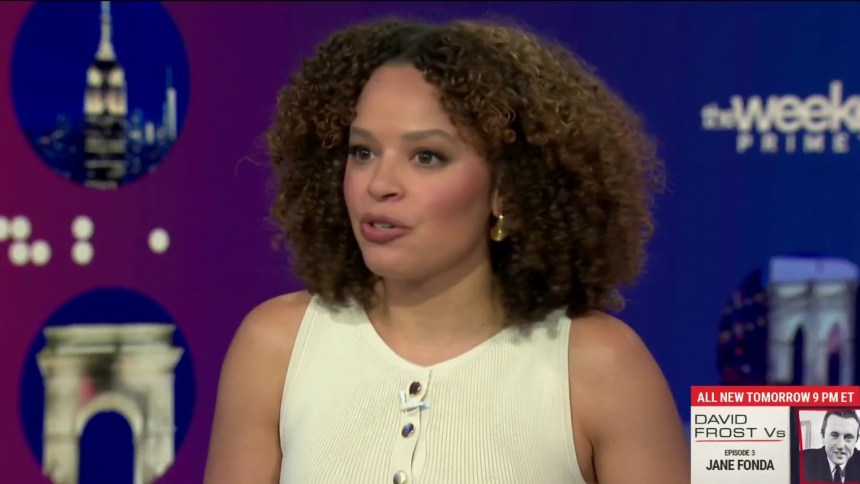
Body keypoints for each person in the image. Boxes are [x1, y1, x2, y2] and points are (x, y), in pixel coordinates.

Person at [204, 17, 689, 484]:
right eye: (362, 152)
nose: (380, 184)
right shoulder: (276, 347)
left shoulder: (600, 366)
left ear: (506, 189)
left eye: (426, 157)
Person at [802, 410, 860, 483]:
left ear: (856, 440)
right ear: (823, 436)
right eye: (834, 435)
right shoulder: (801, 461)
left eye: (848, 437)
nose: (840, 445)